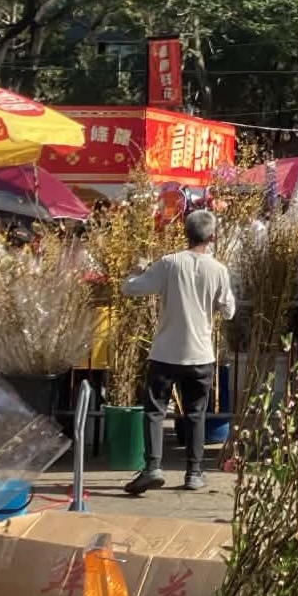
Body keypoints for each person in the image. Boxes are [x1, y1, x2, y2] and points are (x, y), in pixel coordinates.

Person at [121, 210, 236, 494]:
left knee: (155, 410)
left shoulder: (169, 263)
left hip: (166, 352)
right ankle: (194, 472)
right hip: (201, 353)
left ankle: (152, 467)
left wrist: (136, 269)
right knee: (196, 413)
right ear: (212, 237)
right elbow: (229, 311)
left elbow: (131, 288)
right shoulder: (218, 270)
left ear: (186, 233)